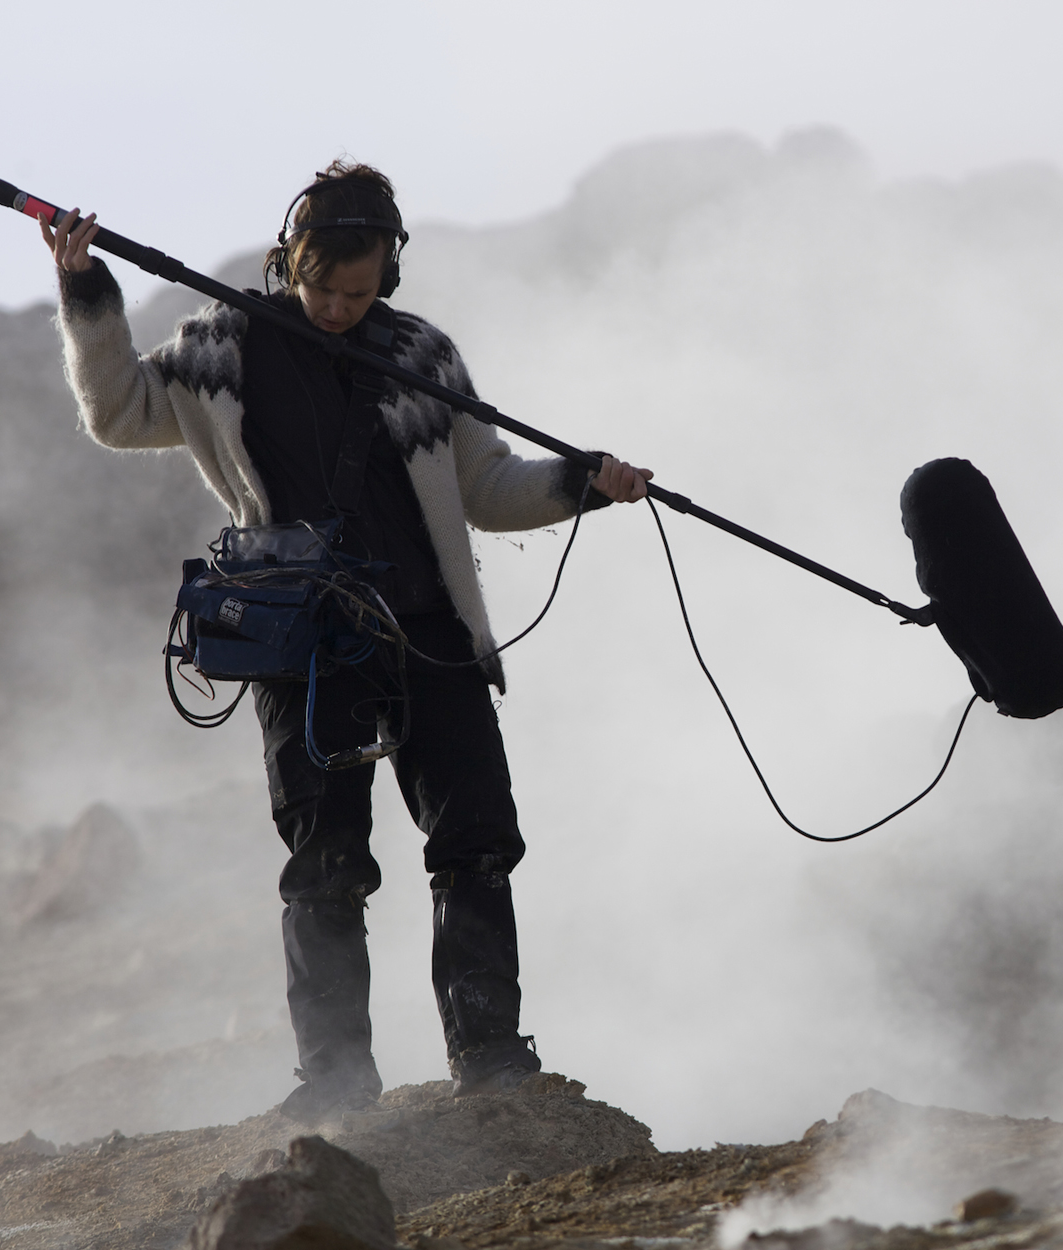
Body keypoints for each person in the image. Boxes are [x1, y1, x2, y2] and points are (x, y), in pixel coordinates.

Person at [38, 160, 651, 1124]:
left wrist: (581, 483)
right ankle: (334, 1082)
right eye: (321, 286)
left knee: (476, 843)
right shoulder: (219, 347)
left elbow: (486, 491)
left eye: (358, 291)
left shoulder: (422, 356)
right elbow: (118, 414)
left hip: (429, 633)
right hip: (302, 645)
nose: (335, 307)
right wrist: (87, 292)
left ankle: (490, 1059)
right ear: (290, 261)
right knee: (323, 862)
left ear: (389, 279)